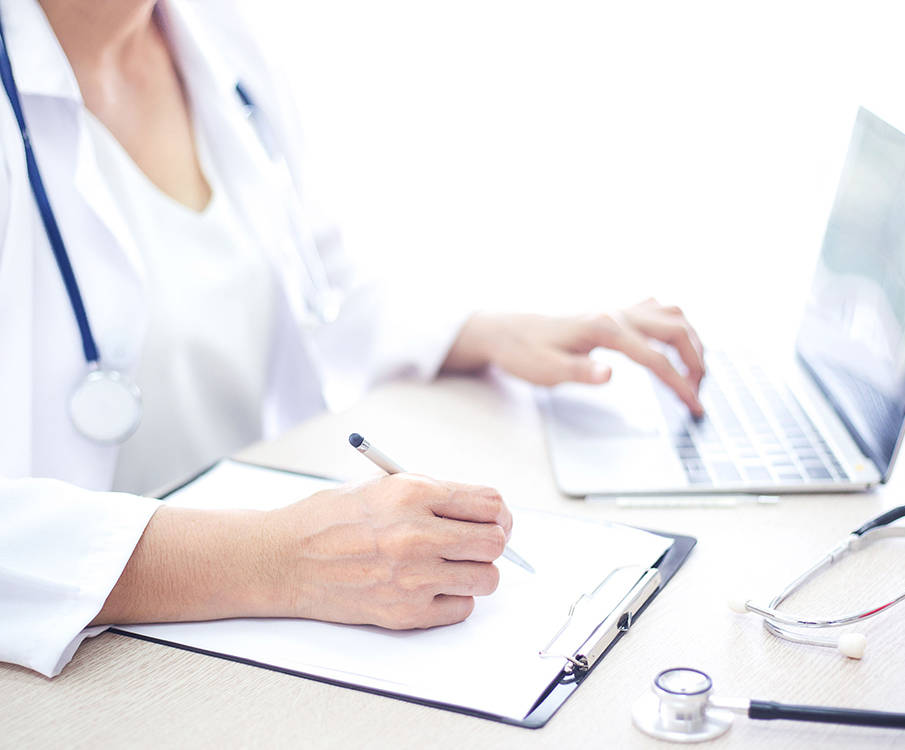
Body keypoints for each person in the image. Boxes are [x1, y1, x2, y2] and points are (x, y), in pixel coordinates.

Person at [0, 0, 705, 678]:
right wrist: (277, 561)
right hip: (87, 672)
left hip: (252, 629)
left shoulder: (213, 29)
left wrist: (487, 331)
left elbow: (312, 276)